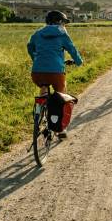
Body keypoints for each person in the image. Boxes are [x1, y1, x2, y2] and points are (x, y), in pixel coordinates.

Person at [27, 10, 83, 138]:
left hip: (37, 72)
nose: (65, 26)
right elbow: (72, 49)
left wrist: (35, 58)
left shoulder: (37, 33)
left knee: (44, 88)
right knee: (61, 95)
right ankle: (60, 130)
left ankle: (39, 112)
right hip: (56, 71)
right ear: (59, 22)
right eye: (64, 23)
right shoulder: (62, 34)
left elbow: (30, 47)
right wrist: (79, 62)